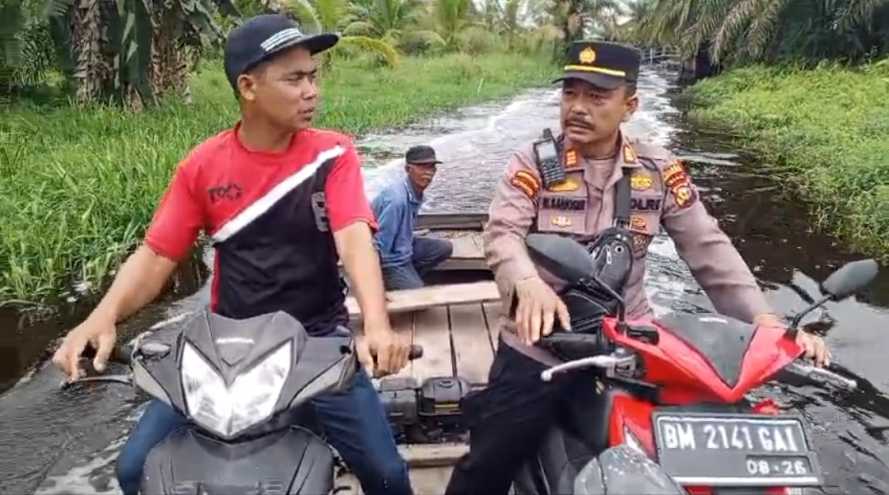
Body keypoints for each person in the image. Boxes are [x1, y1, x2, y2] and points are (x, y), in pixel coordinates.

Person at [444, 40, 831, 495]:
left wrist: (765, 321)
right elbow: (502, 233)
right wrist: (527, 283)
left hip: (633, 348)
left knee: (685, 459)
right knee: (489, 460)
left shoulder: (660, 170)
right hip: (542, 347)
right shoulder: (532, 163)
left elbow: (708, 248)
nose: (578, 108)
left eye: (596, 96)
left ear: (630, 106)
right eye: (571, 93)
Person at [50, 14, 413, 495]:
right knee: (134, 470)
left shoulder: (333, 154)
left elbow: (352, 237)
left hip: (317, 344)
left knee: (387, 476)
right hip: (226, 351)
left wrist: (377, 324)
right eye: (294, 78)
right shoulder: (202, 166)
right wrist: (101, 317)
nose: (311, 91)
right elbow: (157, 255)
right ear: (248, 86)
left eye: (313, 76)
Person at [372, 145, 453, 290]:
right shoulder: (397, 200)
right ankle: (394, 281)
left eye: (432, 168)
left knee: (444, 248)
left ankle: (409, 276)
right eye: (422, 167)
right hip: (391, 259)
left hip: (403, 246)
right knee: (419, 296)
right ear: (408, 169)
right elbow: (380, 246)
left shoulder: (415, 191)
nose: (428, 173)